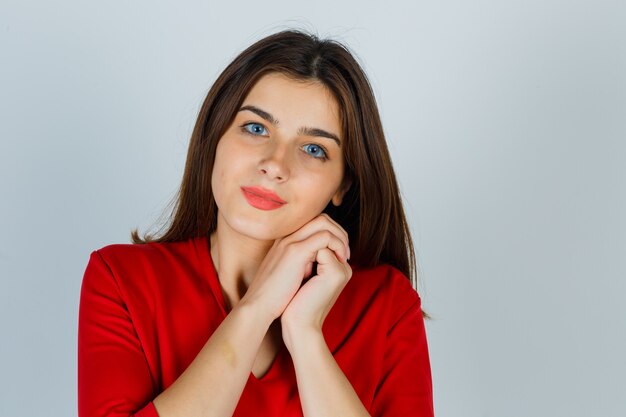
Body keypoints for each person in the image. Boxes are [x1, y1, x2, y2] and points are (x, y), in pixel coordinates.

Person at [78, 29, 434, 417]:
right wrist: (258, 306)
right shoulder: (122, 280)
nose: (275, 164)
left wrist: (305, 334)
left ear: (343, 184)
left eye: (314, 149)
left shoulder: (386, 304)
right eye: (256, 128)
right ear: (215, 136)